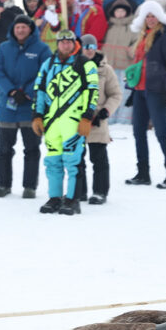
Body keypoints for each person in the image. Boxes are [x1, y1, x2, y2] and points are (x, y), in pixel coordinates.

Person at [32, 29, 99, 215]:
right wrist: (37, 115)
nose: (65, 44)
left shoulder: (84, 63)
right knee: (52, 160)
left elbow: (92, 90)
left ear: (74, 44)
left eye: (69, 41)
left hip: (74, 120)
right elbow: (39, 90)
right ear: (57, 43)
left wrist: (87, 116)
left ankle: (72, 199)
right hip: (52, 122)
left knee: (73, 161)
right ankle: (55, 197)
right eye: (62, 41)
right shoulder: (48, 63)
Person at [0, 14, 51, 198]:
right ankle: (2, 184)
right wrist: (11, 91)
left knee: (32, 148)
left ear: (31, 29)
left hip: (31, 106)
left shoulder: (42, 49)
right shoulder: (4, 47)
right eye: (17, 27)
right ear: (13, 29)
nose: (21, 30)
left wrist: (28, 93)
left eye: (24, 27)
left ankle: (30, 186)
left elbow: (46, 72)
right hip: (7, 106)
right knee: (3, 148)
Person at [125, 0, 166, 188]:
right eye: (147, 16)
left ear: (160, 17)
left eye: (153, 15)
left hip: (157, 90)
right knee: (138, 132)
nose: (150, 19)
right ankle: (143, 172)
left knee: (161, 132)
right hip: (140, 90)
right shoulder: (143, 36)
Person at [74, 33, 122, 204]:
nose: (89, 51)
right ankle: (80, 191)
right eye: (86, 47)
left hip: (97, 118)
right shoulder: (73, 66)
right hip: (77, 118)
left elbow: (115, 94)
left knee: (98, 156)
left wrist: (105, 111)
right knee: (77, 157)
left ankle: (100, 191)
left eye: (92, 47)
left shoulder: (105, 69)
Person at [102, 0, 138, 125]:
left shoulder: (132, 28)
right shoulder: (108, 27)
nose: (120, 14)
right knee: (111, 92)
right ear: (113, 12)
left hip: (126, 66)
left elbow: (137, 42)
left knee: (124, 92)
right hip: (110, 65)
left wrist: (132, 49)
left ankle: (124, 120)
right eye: (118, 11)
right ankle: (110, 118)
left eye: (123, 11)